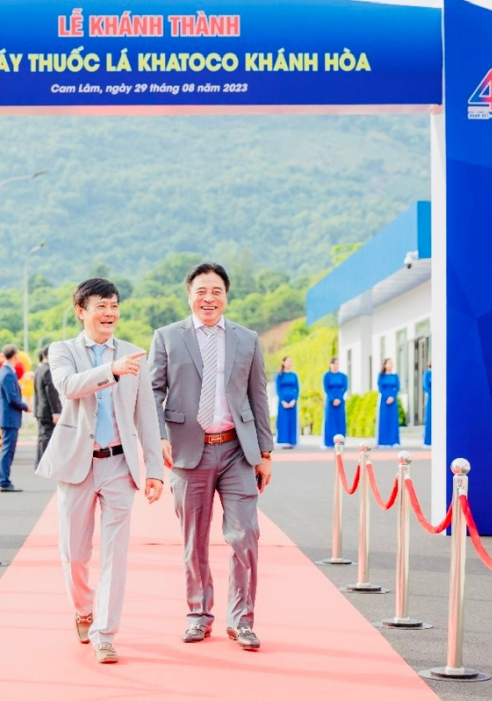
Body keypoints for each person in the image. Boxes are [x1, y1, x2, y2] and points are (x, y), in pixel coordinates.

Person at [37, 278, 164, 665]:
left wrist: (154, 469)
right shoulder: (63, 351)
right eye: (101, 306)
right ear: (81, 310)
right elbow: (68, 387)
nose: (110, 313)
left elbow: (146, 416)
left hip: (118, 465)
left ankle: (105, 633)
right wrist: (111, 369)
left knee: (115, 553)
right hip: (78, 463)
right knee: (74, 553)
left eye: (114, 305)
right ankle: (83, 609)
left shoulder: (133, 355)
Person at [149, 262, 273, 652]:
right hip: (189, 452)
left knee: (245, 536)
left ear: (226, 296)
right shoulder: (167, 337)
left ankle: (242, 620)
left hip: (237, 449)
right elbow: (152, 391)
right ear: (189, 295)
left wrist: (265, 452)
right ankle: (198, 615)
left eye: (216, 291)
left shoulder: (247, 339)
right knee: (194, 540)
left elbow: (258, 397)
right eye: (201, 291)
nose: (209, 298)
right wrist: (158, 436)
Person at [0, 344, 29, 491]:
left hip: (8, 417)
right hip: (9, 418)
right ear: (15, 356)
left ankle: (5, 480)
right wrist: (26, 407)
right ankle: (4, 481)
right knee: (7, 450)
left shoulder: (6, 371)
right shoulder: (8, 373)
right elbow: (12, 398)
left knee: (8, 450)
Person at [33, 344, 62, 466]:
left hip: (40, 409)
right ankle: (45, 464)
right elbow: (52, 393)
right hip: (47, 411)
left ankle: (40, 463)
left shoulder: (39, 369)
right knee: (47, 437)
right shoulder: (48, 370)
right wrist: (55, 412)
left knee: (42, 437)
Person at [321, 356, 348, 450]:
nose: (336, 366)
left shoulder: (343, 376)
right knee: (330, 420)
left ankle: (341, 440)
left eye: (337, 364)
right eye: (334, 363)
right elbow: (326, 388)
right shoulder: (327, 376)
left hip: (340, 399)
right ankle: (329, 442)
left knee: (340, 420)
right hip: (330, 400)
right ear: (330, 364)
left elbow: (344, 388)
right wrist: (333, 399)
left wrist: (339, 398)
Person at [274, 356, 299, 448]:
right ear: (283, 363)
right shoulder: (279, 376)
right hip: (283, 401)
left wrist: (294, 400)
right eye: (288, 361)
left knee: (292, 420)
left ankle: (292, 440)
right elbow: (278, 389)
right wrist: (282, 401)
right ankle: (283, 440)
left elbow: (297, 389)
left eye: (291, 361)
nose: (290, 363)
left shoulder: (294, 375)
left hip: (292, 400)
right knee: (283, 420)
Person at [376, 358, 401, 447]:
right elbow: (380, 388)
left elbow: (397, 388)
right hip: (384, 400)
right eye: (389, 363)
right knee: (384, 420)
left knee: (393, 420)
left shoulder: (395, 376)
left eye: (392, 363)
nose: (391, 365)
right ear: (385, 365)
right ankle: (383, 442)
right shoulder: (381, 376)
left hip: (393, 400)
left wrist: (392, 397)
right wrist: (387, 397)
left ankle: (394, 441)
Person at [422, 362, 432, 447]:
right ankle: (428, 441)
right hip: (431, 398)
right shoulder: (427, 373)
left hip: (440, 398)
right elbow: (425, 386)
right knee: (429, 418)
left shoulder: (441, 372)